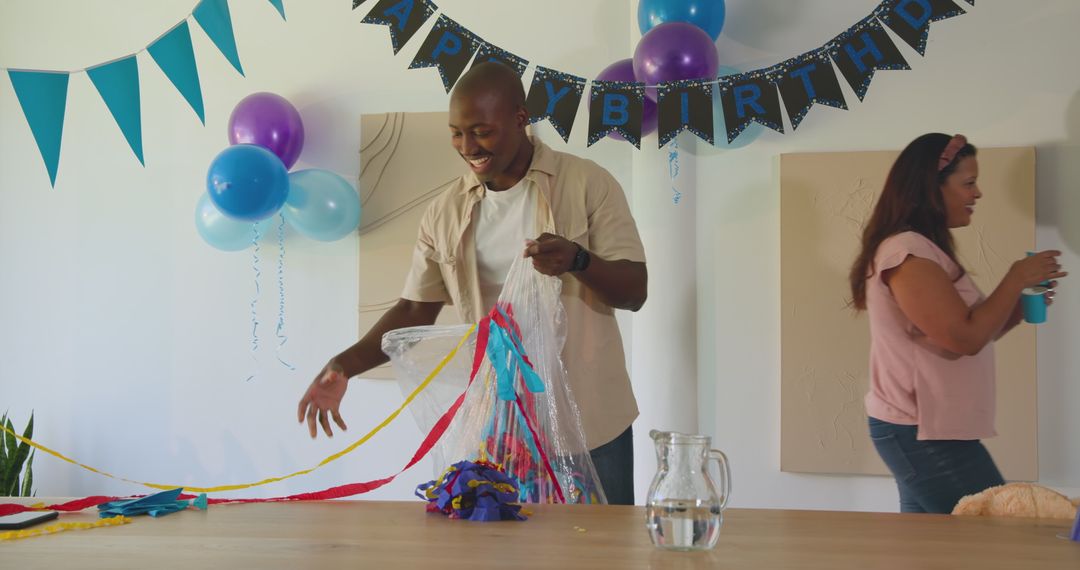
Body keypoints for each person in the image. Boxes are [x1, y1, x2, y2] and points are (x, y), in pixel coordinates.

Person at [296, 62, 648, 505]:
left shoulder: (587, 183)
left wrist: (578, 260)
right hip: (500, 423)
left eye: (481, 131)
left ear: (520, 119)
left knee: (603, 552)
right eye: (456, 133)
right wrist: (343, 364)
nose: (467, 147)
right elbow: (414, 309)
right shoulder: (445, 211)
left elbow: (635, 290)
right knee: (503, 549)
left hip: (590, 418)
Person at [848, 133, 1067, 513]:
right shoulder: (907, 254)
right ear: (930, 189)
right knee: (996, 537)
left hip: (928, 429)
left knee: (930, 553)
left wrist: (1015, 306)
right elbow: (962, 339)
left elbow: (974, 331)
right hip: (921, 431)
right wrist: (1015, 278)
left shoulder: (922, 250)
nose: (978, 193)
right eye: (968, 183)